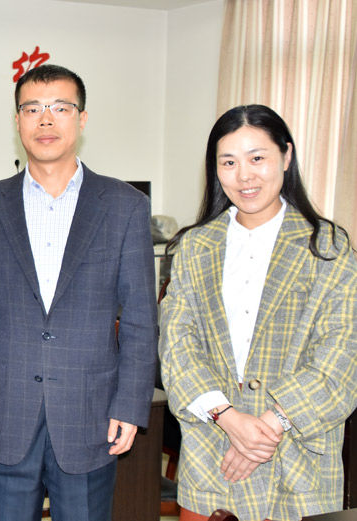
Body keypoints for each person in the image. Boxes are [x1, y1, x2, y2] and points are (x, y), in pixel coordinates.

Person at [0, 64, 159, 521]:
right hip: (4, 409)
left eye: (60, 108)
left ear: (81, 119)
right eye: (32, 109)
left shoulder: (125, 206)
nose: (46, 120)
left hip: (91, 413)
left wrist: (130, 404)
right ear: (18, 121)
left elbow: (141, 318)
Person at [159, 104, 357, 521]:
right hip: (213, 453)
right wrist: (230, 420)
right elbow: (177, 346)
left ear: (286, 156)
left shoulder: (328, 247)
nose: (244, 175)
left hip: (298, 460)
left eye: (257, 158)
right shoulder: (195, 246)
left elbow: (343, 356)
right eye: (228, 162)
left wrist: (267, 427)